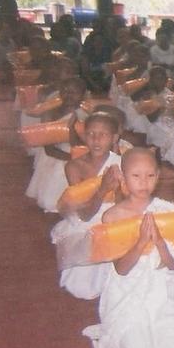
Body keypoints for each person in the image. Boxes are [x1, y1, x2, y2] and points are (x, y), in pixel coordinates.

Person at [82, 148, 174, 348]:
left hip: (162, 286)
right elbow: (121, 269)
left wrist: (159, 243)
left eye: (150, 175)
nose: (143, 182)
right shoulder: (112, 216)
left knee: (168, 338)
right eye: (136, 176)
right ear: (122, 177)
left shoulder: (168, 211)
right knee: (136, 339)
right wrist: (140, 243)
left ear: (158, 176)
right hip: (129, 287)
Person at [51, 113, 122, 300]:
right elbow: (84, 214)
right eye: (90, 134)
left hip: (116, 216)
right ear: (83, 136)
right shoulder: (74, 166)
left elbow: (125, 205)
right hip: (87, 216)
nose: (96, 140)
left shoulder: (121, 164)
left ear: (114, 138)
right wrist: (103, 189)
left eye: (103, 135)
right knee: (82, 289)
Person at [25, 77, 88, 212]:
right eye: (65, 91)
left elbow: (84, 143)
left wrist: (79, 156)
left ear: (83, 95)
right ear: (59, 93)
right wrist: (71, 159)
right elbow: (49, 148)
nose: (69, 95)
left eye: (74, 92)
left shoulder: (87, 115)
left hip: (79, 151)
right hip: (55, 153)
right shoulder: (50, 114)